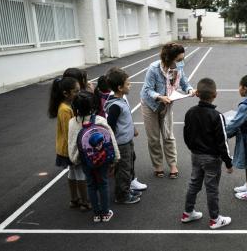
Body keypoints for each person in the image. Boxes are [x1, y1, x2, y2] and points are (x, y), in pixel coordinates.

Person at [182, 78, 233, 229]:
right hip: (212, 159)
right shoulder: (217, 116)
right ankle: (215, 219)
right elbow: (222, 142)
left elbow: (186, 134)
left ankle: (187, 212)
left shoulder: (190, 112)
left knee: (194, 183)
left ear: (197, 93)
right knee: (212, 189)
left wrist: (193, 148)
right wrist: (228, 162)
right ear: (215, 94)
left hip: (196, 155)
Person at [140, 43, 195, 179]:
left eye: (182, 59)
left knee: (168, 136)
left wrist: (190, 90)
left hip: (167, 104)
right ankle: (158, 165)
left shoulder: (179, 67)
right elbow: (147, 89)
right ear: (168, 58)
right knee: (153, 138)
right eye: (178, 59)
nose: (181, 62)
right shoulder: (153, 68)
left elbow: (184, 82)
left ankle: (172, 165)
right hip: (150, 104)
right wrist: (159, 97)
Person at [68, 91, 120, 222]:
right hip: (102, 158)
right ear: (93, 105)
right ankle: (106, 212)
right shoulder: (100, 120)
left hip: (86, 160)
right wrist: (115, 157)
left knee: (90, 184)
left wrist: (74, 158)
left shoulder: (72, 122)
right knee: (103, 183)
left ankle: (96, 214)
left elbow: (72, 141)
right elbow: (111, 138)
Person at [48, 76, 91, 210]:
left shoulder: (65, 106)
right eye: (76, 91)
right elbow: (70, 133)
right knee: (80, 174)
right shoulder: (65, 110)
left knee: (72, 173)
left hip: (66, 148)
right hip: (70, 148)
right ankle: (84, 201)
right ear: (66, 93)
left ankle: (74, 199)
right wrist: (78, 149)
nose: (79, 94)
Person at [105, 67, 142, 204]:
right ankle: (122, 196)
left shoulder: (121, 100)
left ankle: (126, 189)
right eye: (128, 84)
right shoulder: (115, 105)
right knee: (123, 169)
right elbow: (110, 126)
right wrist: (112, 145)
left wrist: (133, 129)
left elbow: (125, 119)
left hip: (128, 140)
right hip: (121, 143)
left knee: (130, 164)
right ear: (120, 87)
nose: (130, 85)